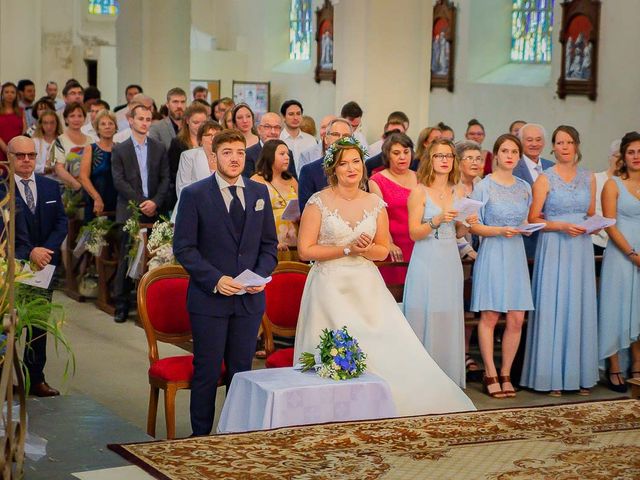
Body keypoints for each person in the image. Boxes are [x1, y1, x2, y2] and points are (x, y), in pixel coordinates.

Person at [293, 136, 475, 416]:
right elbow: (305, 250)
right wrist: (346, 248)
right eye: (344, 164)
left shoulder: (375, 203)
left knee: (384, 345)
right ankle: (329, 410)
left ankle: (379, 402)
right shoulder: (318, 202)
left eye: (356, 162)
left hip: (366, 283)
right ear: (333, 169)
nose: (352, 169)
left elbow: (382, 250)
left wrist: (365, 251)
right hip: (329, 284)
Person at [173, 129, 278, 436]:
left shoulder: (259, 193)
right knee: (206, 370)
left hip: (249, 299)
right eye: (228, 152)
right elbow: (184, 248)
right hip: (210, 299)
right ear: (213, 157)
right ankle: (201, 436)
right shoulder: (194, 194)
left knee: (242, 371)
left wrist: (260, 275)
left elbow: (269, 245)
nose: (235, 158)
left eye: (240, 152)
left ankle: (236, 432)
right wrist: (216, 279)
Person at [521, 125, 599, 396]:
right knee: (555, 303)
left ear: (577, 145)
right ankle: (550, 374)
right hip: (555, 244)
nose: (564, 147)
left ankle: (579, 376)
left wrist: (594, 225)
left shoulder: (589, 177)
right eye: (559, 142)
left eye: (568, 142)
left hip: (581, 248)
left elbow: (590, 212)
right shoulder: (545, 178)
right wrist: (562, 226)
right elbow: (533, 218)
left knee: (578, 303)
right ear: (553, 147)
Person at [469, 134, 533, 399]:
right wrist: (499, 230)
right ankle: (490, 372)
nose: (509, 155)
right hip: (494, 251)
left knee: (517, 317)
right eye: (504, 150)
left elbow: (526, 219)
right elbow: (474, 225)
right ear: (495, 155)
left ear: (519, 157)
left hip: (516, 253)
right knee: (491, 316)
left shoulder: (524, 187)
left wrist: (527, 229)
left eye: (514, 152)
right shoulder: (484, 186)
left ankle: (506, 371)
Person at [403, 139, 467, 388]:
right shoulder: (420, 191)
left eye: (449, 156)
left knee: (447, 312)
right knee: (424, 311)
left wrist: (466, 222)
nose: (444, 160)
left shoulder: (458, 191)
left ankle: (447, 377)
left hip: (450, 257)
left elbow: (460, 232)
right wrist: (437, 220)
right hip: (427, 257)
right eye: (439, 156)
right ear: (430, 159)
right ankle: (421, 379)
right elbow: (414, 233)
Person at [9, 136, 67, 397]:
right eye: (20, 155)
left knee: (38, 325)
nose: (26, 160)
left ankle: (35, 379)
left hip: (44, 266)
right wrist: (28, 252)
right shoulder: (2, 190)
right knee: (7, 326)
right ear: (9, 158)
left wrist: (44, 253)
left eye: (31, 155)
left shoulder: (49, 187)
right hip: (11, 267)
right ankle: (6, 379)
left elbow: (61, 223)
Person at [111, 104, 170, 323]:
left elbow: (165, 178)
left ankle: (153, 304)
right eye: (141, 119)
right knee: (127, 256)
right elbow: (119, 181)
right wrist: (141, 202)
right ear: (131, 120)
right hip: (130, 210)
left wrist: (155, 201)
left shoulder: (159, 147)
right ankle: (121, 303)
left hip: (155, 208)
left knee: (158, 256)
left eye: (148, 119)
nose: (145, 122)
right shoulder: (120, 148)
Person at [598, 131, 640, 392]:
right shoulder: (612, 184)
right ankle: (613, 366)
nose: (637, 156)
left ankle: (636, 365)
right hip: (621, 253)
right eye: (632, 152)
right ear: (623, 157)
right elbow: (610, 225)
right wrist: (633, 255)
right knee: (617, 306)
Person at [368, 133, 417, 285]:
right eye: (396, 153)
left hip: (419, 244)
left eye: (406, 152)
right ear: (387, 155)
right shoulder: (377, 180)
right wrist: (388, 243)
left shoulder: (421, 177)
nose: (402, 157)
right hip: (393, 244)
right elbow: (378, 217)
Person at [455, 140, 483, 375]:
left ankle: (466, 351)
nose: (475, 162)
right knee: (458, 303)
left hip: (481, 249)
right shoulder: (452, 186)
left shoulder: (483, 186)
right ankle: (455, 353)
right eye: (470, 158)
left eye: (478, 158)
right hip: (457, 251)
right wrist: (467, 249)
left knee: (471, 305)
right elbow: (453, 225)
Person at [251, 139, 299, 257]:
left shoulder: (292, 180)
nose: (287, 157)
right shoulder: (256, 180)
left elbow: (302, 205)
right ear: (269, 156)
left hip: (294, 241)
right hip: (270, 244)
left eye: (288, 154)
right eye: (282, 154)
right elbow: (253, 217)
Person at [513, 123, 555, 258]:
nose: (534, 144)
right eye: (529, 140)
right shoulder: (513, 168)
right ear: (520, 142)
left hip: (552, 236)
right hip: (526, 239)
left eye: (538, 140)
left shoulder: (552, 167)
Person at [298, 118, 352, 212]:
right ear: (326, 139)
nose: (341, 139)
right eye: (335, 134)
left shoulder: (358, 169)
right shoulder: (309, 171)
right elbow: (306, 213)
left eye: (346, 136)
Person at [172, 121, 222, 222]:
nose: (212, 138)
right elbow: (182, 188)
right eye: (208, 135)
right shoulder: (188, 156)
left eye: (216, 135)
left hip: (219, 212)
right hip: (191, 210)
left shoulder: (225, 157)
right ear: (200, 139)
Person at [167, 103, 209, 210]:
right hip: (184, 193)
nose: (200, 126)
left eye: (203, 122)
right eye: (195, 122)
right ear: (187, 121)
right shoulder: (178, 143)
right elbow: (173, 172)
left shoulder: (211, 142)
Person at [78, 110, 118, 220]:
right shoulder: (91, 148)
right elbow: (83, 177)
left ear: (115, 127)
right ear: (97, 128)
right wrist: (97, 198)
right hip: (95, 203)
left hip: (118, 204)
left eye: (110, 123)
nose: (107, 127)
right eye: (103, 124)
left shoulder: (120, 148)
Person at [51, 102, 92, 191]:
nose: (76, 119)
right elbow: (58, 168)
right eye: (72, 116)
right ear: (66, 119)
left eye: (80, 116)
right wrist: (77, 186)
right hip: (67, 191)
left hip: (89, 190)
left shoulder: (91, 140)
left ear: (84, 118)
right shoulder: (59, 141)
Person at [592, 139, 621, 256]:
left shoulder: (631, 185)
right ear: (610, 157)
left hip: (623, 242)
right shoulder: (595, 179)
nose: (620, 160)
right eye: (617, 156)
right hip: (596, 240)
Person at [279, 99, 317, 171]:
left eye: (298, 114)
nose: (295, 118)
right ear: (283, 117)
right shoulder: (278, 139)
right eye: (291, 114)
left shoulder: (311, 140)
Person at [0, 82, 26, 165]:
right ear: (2, 94)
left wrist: (17, 149)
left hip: (18, 150)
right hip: (1, 149)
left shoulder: (21, 111)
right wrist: (6, 149)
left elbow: (24, 130)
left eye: (12, 92)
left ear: (16, 95)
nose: (9, 94)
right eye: (6, 92)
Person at [31, 109, 62, 175]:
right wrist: (44, 168)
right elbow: (29, 165)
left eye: (52, 122)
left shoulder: (63, 141)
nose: (49, 126)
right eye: (45, 123)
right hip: (40, 180)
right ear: (41, 124)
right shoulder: (34, 142)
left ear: (57, 123)